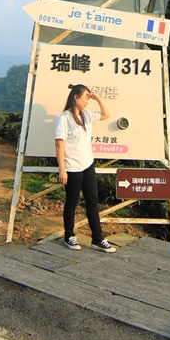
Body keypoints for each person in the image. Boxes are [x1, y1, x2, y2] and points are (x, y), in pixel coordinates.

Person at [54, 83, 116, 253]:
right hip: (72, 167)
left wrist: (97, 98)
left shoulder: (87, 116)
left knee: (93, 202)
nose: (87, 100)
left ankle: (98, 238)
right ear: (75, 97)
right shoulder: (64, 119)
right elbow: (59, 145)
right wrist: (62, 169)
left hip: (88, 165)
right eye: (85, 97)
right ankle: (69, 236)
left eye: (89, 97)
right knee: (72, 203)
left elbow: (106, 114)